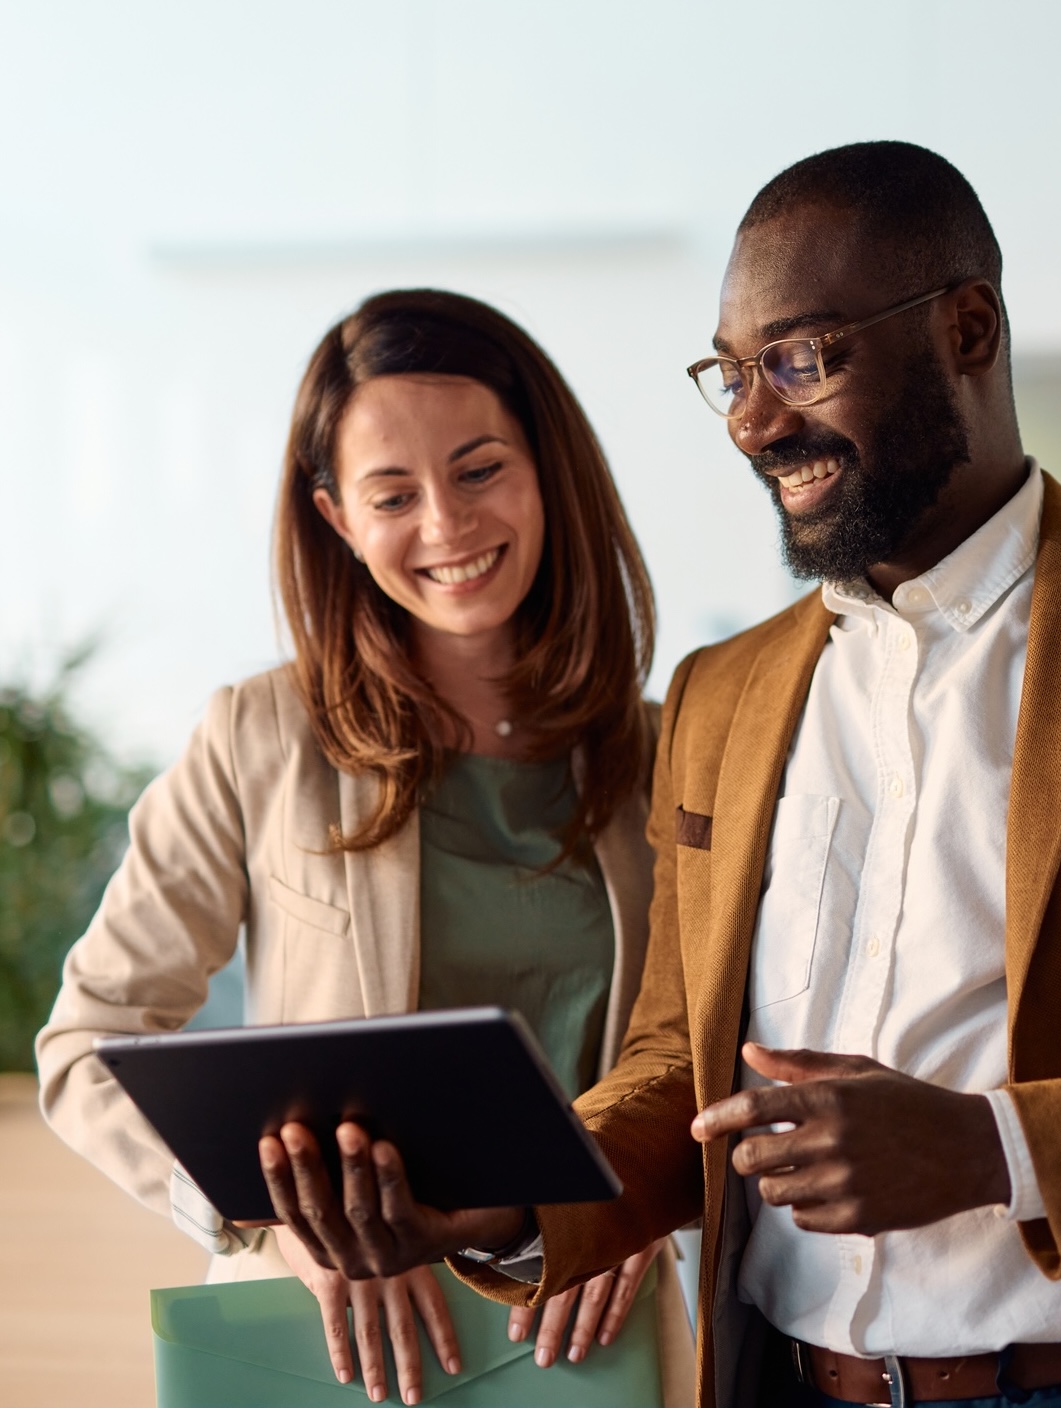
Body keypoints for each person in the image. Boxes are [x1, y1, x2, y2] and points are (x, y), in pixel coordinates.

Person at [243, 146, 1061, 1408]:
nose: (754, 421)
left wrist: (996, 1149)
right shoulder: (723, 693)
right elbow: (681, 1069)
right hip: (796, 1384)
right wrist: (514, 1202)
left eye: (802, 358)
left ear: (968, 329)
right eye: (732, 373)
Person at [36, 288, 694, 1406]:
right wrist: (277, 1224)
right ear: (338, 519)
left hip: (582, 1342)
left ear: (548, 471)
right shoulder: (258, 735)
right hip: (323, 1341)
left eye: (480, 470)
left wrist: (633, 1201)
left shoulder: (670, 756)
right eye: (393, 495)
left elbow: (717, 1058)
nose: (446, 525)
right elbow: (86, 1043)